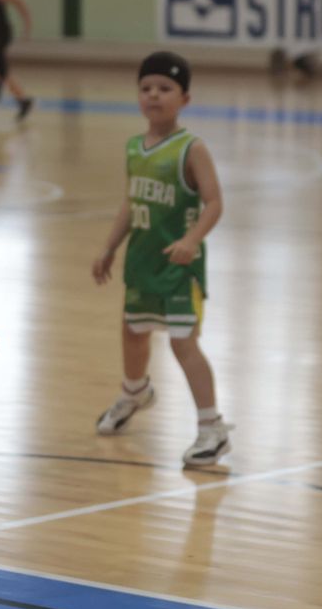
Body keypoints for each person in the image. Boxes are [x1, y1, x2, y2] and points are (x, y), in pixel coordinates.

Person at [91, 51, 230, 466]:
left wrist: (192, 239)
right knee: (133, 333)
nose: (154, 95)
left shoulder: (192, 148)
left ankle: (212, 428)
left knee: (183, 344)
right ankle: (135, 392)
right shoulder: (135, 147)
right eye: (146, 88)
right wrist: (109, 246)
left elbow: (215, 203)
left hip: (178, 269)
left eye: (165, 88)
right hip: (142, 262)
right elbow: (131, 204)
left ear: (184, 98)